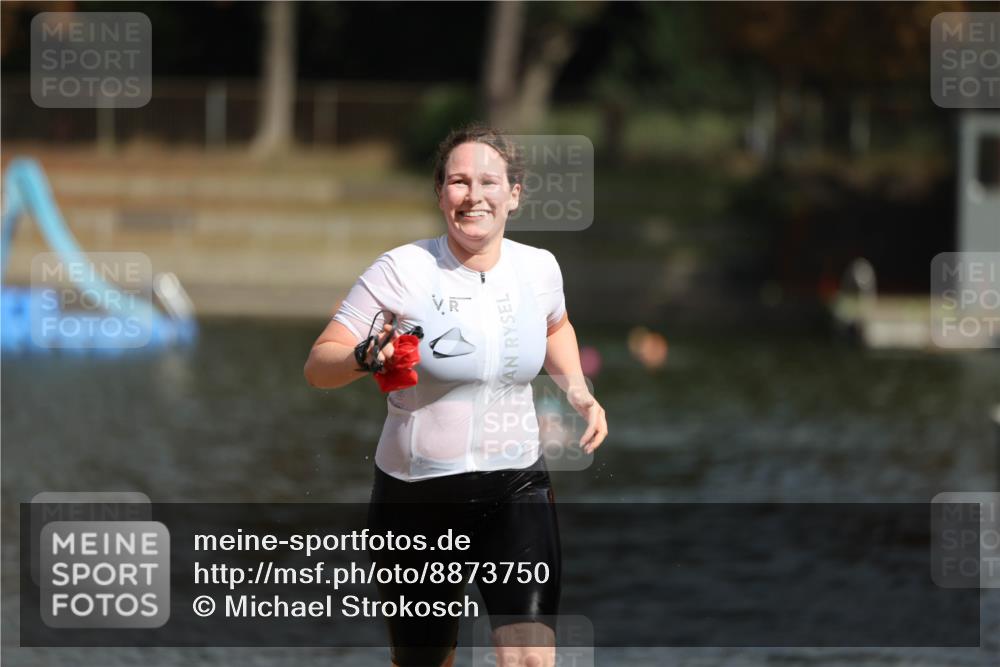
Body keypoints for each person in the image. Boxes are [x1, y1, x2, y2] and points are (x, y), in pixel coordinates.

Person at [304, 124, 608, 667]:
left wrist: (579, 392)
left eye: (489, 182)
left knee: (531, 659)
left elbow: (556, 326)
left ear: (514, 194)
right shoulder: (402, 270)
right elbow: (318, 365)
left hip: (518, 485)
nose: (474, 195)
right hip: (417, 495)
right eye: (459, 181)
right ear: (441, 193)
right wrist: (363, 357)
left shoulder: (539, 268)